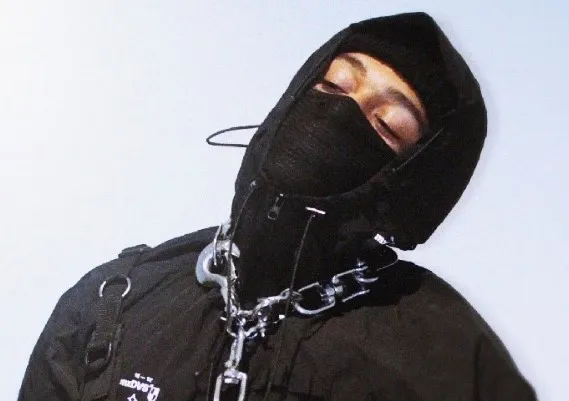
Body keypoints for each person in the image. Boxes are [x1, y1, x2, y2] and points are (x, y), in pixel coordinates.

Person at [18, 12, 536, 401]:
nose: (338, 114)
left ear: (413, 184)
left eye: (387, 125)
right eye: (332, 85)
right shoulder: (115, 301)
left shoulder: (446, 359)